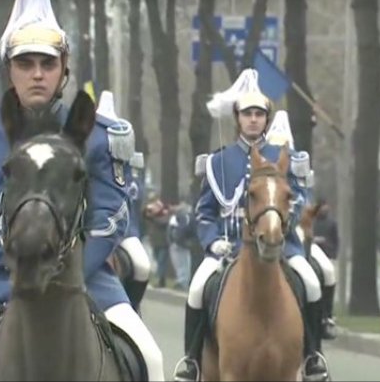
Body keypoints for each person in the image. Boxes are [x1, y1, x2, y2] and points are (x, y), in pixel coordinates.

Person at [0, 0, 164, 381]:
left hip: (84, 287)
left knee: (150, 358)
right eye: (25, 64)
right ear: (8, 69)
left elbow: (109, 218)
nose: (37, 74)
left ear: (64, 69)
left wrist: (67, 274)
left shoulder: (98, 136)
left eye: (48, 64)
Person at [172, 69, 330, 382]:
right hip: (228, 248)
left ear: (267, 119)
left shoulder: (284, 155)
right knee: (197, 288)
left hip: (279, 244)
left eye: (259, 114)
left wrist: (281, 226)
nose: (254, 120)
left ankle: (312, 357)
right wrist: (212, 240)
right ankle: (191, 360)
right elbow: (205, 212)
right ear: (238, 118)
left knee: (311, 282)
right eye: (248, 114)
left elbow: (297, 200)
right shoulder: (219, 160)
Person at [266, 110, 339, 340]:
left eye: (284, 147)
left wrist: (290, 218)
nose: (280, 152)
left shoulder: (299, 164)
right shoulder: (258, 161)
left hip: (290, 235)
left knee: (321, 274)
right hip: (261, 234)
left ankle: (320, 328)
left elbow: (303, 198)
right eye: (276, 147)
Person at [96, 90, 152, 313]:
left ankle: (132, 308)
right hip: (93, 227)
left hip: (124, 230)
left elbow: (133, 201)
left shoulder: (127, 166)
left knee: (142, 265)